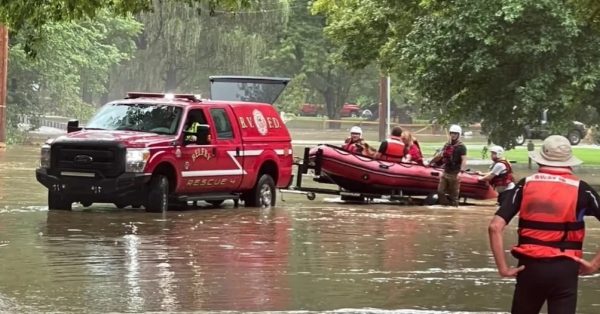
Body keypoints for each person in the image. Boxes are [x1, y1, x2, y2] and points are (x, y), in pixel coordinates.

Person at [488, 135, 600, 314]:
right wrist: (595, 264)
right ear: (569, 162)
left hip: (530, 268)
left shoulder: (525, 185)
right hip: (566, 269)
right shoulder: (583, 189)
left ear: (541, 159)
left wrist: (503, 268)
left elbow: (495, 227)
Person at [429, 124, 467, 206]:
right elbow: (440, 156)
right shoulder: (447, 145)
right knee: (440, 191)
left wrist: (461, 172)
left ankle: (453, 209)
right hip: (446, 172)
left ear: (459, 135)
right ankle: (445, 206)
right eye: (452, 133)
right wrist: (430, 162)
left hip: (455, 173)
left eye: (455, 133)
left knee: (454, 196)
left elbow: (464, 159)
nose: (453, 135)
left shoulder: (461, 147)